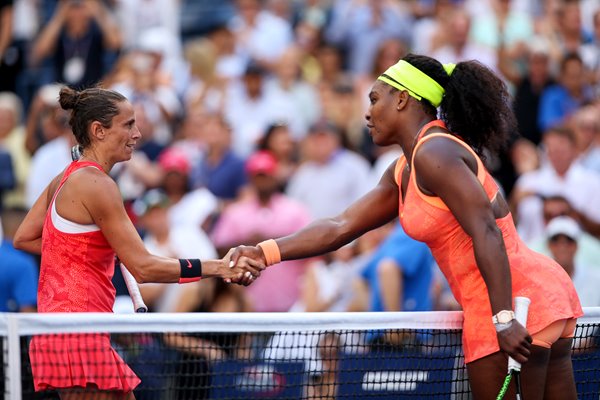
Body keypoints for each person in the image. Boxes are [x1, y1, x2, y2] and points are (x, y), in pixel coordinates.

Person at [230, 53, 583, 399]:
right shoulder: (405, 168)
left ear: (402, 99)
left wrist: (503, 318)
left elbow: (487, 230)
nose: (366, 113)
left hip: (510, 306)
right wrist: (265, 252)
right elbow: (340, 226)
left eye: (374, 99)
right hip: (532, 298)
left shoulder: (434, 153)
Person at [13, 86, 262, 399]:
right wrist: (218, 266)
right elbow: (143, 267)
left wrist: (91, 251)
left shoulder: (66, 176)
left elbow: (26, 237)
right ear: (98, 131)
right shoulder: (97, 185)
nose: (138, 133)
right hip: (77, 335)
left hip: (71, 332)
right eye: (128, 124)